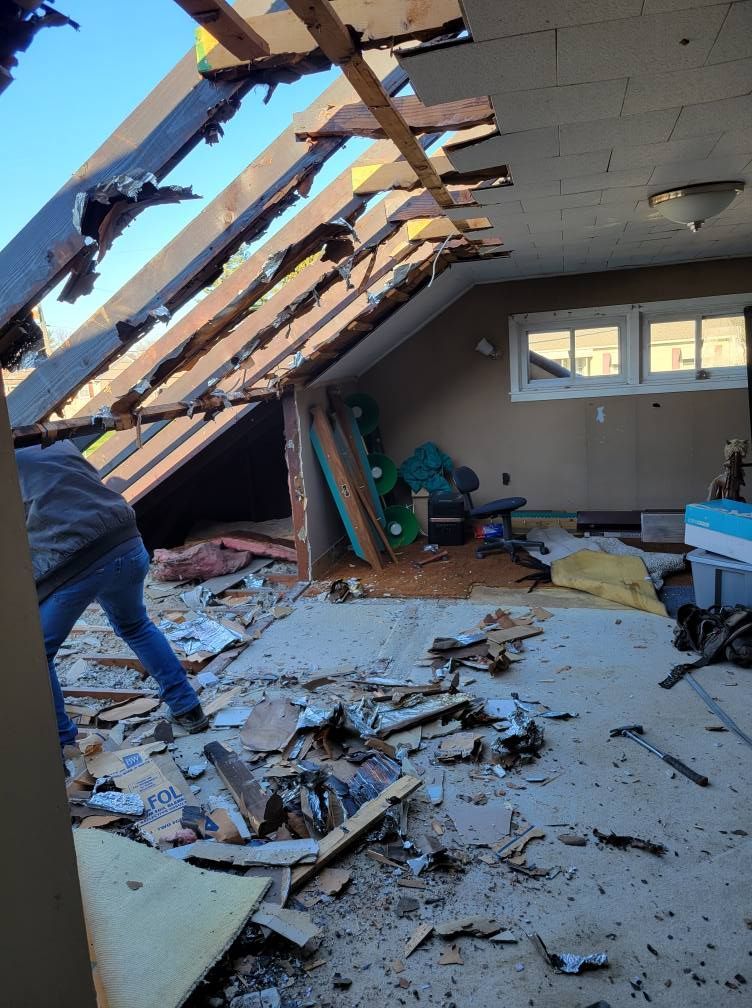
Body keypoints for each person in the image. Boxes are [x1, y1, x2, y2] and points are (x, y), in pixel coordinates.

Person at [15, 440, 208, 748]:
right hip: (127, 543)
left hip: (80, 559)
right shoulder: (60, 443)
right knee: (135, 625)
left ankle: (63, 743)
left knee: (37, 653)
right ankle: (188, 707)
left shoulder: (10, 462)